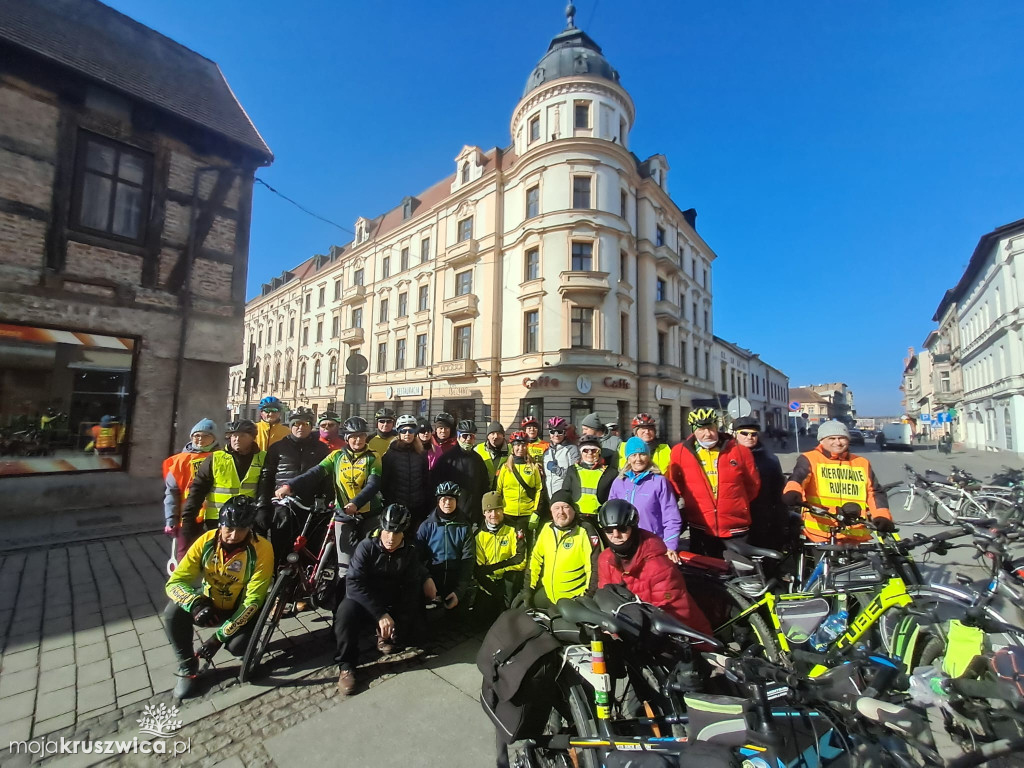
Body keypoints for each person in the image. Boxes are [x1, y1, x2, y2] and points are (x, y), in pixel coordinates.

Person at [163, 495, 274, 699]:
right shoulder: (206, 541)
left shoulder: (263, 548)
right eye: (228, 528)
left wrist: (217, 639)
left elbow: (253, 601)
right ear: (220, 525)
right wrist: (195, 604)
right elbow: (175, 583)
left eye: (240, 530)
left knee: (237, 646)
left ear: (249, 528)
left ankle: (247, 647)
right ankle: (188, 666)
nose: (233, 535)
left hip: (242, 608)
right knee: (172, 612)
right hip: (210, 603)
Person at [334, 504, 438, 695]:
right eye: (388, 531)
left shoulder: (410, 550)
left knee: (416, 622)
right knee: (345, 612)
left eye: (397, 533)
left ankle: (387, 634)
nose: (391, 538)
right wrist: (380, 614)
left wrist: (401, 622)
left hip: (392, 596)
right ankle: (347, 666)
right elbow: (354, 583)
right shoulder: (366, 546)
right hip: (365, 598)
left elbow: (411, 587)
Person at [276, 416, 382, 579]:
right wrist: (290, 486)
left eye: (361, 435)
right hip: (343, 514)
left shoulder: (373, 457)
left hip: (369, 514)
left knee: (369, 561)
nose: (358, 440)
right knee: (344, 567)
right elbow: (314, 473)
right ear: (346, 437)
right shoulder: (336, 456)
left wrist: (356, 503)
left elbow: (373, 485)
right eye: (353, 436)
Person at [596, 499, 712, 637]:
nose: (615, 535)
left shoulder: (658, 566)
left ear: (633, 528)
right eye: (609, 530)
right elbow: (605, 598)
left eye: (622, 529)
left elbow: (670, 612)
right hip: (630, 631)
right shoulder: (605, 559)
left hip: (680, 638)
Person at [666, 408, 760, 559]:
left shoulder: (740, 451)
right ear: (693, 430)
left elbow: (753, 485)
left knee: (740, 575)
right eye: (701, 429)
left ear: (717, 427)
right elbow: (676, 483)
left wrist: (734, 504)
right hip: (701, 525)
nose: (707, 433)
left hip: (735, 526)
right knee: (706, 576)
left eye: (710, 428)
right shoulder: (680, 452)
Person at [782, 420, 893, 543]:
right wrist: (792, 492)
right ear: (821, 440)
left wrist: (882, 516)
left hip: (854, 533)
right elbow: (798, 478)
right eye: (832, 438)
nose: (838, 442)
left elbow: (875, 491)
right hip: (821, 533)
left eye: (842, 438)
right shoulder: (810, 458)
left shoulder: (862, 462)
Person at [261, 407, 330, 563]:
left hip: (310, 507)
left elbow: (327, 476)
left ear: (311, 426)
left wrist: (324, 499)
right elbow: (267, 478)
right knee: (280, 548)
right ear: (290, 426)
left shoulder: (321, 448)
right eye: (296, 424)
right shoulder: (278, 448)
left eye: (305, 423)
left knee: (309, 550)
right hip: (283, 505)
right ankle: (279, 579)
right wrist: (263, 506)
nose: (301, 427)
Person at [182, 420, 270, 541]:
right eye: (233, 435)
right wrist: (188, 518)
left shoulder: (263, 458)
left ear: (253, 438)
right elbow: (198, 489)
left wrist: (262, 511)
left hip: (249, 519)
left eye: (242, 436)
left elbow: (266, 488)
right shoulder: (215, 458)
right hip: (217, 518)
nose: (236, 439)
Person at [514, 490, 600, 612]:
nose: (561, 512)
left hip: (574, 599)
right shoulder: (547, 528)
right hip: (549, 594)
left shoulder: (584, 531)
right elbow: (535, 560)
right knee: (520, 614)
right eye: (556, 508)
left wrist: (586, 599)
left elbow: (594, 568)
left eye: (565, 507)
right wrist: (527, 589)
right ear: (551, 511)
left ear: (573, 509)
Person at [608, 437, 682, 559]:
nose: (638, 459)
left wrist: (670, 545)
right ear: (628, 458)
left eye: (642, 454)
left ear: (648, 456)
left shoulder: (659, 482)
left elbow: (671, 517)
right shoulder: (619, 482)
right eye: (633, 455)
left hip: (652, 545)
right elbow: (611, 516)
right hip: (625, 545)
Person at [731, 416, 790, 553]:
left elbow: (778, 491)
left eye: (753, 434)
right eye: (744, 433)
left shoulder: (770, 459)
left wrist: (782, 520)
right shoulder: (725, 456)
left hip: (762, 515)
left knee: (763, 552)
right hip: (735, 516)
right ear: (735, 434)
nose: (749, 437)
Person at [163, 419, 219, 561]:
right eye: (197, 435)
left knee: (213, 555)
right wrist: (171, 519)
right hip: (188, 516)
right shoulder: (180, 461)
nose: (200, 439)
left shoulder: (222, 458)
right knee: (186, 557)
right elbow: (172, 492)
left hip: (215, 516)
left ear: (214, 438)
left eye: (206, 436)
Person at [416, 482, 474, 617]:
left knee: (458, 622)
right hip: (433, 580)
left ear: (457, 501)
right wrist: (426, 581)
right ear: (438, 502)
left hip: (455, 581)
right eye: (443, 499)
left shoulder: (465, 527)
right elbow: (416, 558)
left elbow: (468, 560)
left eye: (451, 499)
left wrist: (459, 591)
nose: (447, 503)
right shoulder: (426, 526)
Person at [472, 491, 526, 625]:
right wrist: (492, 590)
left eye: (497, 510)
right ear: (484, 512)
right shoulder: (479, 534)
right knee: (480, 620)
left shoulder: (515, 529)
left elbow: (520, 559)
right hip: (489, 581)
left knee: (508, 617)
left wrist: (494, 569)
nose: (494, 515)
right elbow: (479, 568)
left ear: (502, 510)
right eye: (489, 511)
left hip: (508, 578)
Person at [430, 419, 490, 524]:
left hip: (474, 514)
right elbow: (435, 485)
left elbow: (484, 485)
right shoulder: (447, 459)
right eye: (464, 435)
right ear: (458, 436)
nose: (468, 439)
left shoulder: (478, 459)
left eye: (471, 436)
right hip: (451, 513)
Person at [381, 414, 432, 526]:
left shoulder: (421, 453)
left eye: (411, 430)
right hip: (396, 506)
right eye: (404, 431)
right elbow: (384, 481)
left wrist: (425, 502)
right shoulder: (391, 454)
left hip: (417, 506)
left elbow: (425, 479)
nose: (407, 434)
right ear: (399, 433)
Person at [494, 430, 544, 535]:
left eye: (523, 445)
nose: (520, 448)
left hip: (527, 514)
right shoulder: (505, 467)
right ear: (512, 447)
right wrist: (498, 511)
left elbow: (539, 489)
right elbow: (498, 491)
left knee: (526, 548)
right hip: (507, 513)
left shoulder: (533, 467)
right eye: (517, 445)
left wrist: (536, 512)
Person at [565, 435, 615, 525]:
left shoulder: (610, 472)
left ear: (599, 452)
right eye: (585, 450)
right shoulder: (573, 470)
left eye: (593, 450)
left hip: (600, 519)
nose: (589, 453)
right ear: (581, 452)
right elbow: (565, 493)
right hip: (577, 518)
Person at [541, 417, 581, 499]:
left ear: (564, 433)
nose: (556, 435)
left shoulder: (571, 449)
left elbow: (575, 475)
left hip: (565, 496)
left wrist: (557, 470)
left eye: (559, 432)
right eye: (552, 432)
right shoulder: (546, 453)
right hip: (550, 496)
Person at [475, 422, 508, 490]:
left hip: (503, 491)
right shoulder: (478, 449)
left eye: (498, 433)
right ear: (488, 436)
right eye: (492, 433)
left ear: (503, 435)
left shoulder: (511, 450)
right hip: (483, 491)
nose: (495, 436)